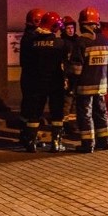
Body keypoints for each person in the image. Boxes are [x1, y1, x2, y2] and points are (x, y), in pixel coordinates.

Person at [20, 11, 71, 153]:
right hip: (56, 83)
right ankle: (56, 143)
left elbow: (25, 63)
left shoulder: (31, 42)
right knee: (56, 113)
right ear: (54, 26)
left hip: (36, 83)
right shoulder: (60, 43)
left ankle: (31, 143)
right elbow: (67, 63)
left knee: (35, 113)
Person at [70, 6, 108, 153]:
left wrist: (72, 85)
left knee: (85, 115)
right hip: (101, 86)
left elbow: (76, 69)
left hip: (84, 86)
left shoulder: (81, 42)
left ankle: (88, 144)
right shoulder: (107, 41)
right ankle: (105, 141)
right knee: (101, 113)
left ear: (83, 24)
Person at [18, 8, 44, 148]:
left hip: (27, 77)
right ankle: (30, 136)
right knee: (33, 109)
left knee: (27, 107)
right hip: (34, 77)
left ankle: (25, 134)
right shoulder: (33, 38)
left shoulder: (27, 36)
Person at [60, 15, 79, 140]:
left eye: (72, 28)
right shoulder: (61, 43)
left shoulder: (78, 41)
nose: (71, 30)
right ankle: (63, 125)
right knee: (66, 102)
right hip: (67, 76)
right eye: (68, 28)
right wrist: (64, 77)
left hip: (76, 76)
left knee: (75, 104)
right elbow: (61, 62)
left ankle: (72, 125)